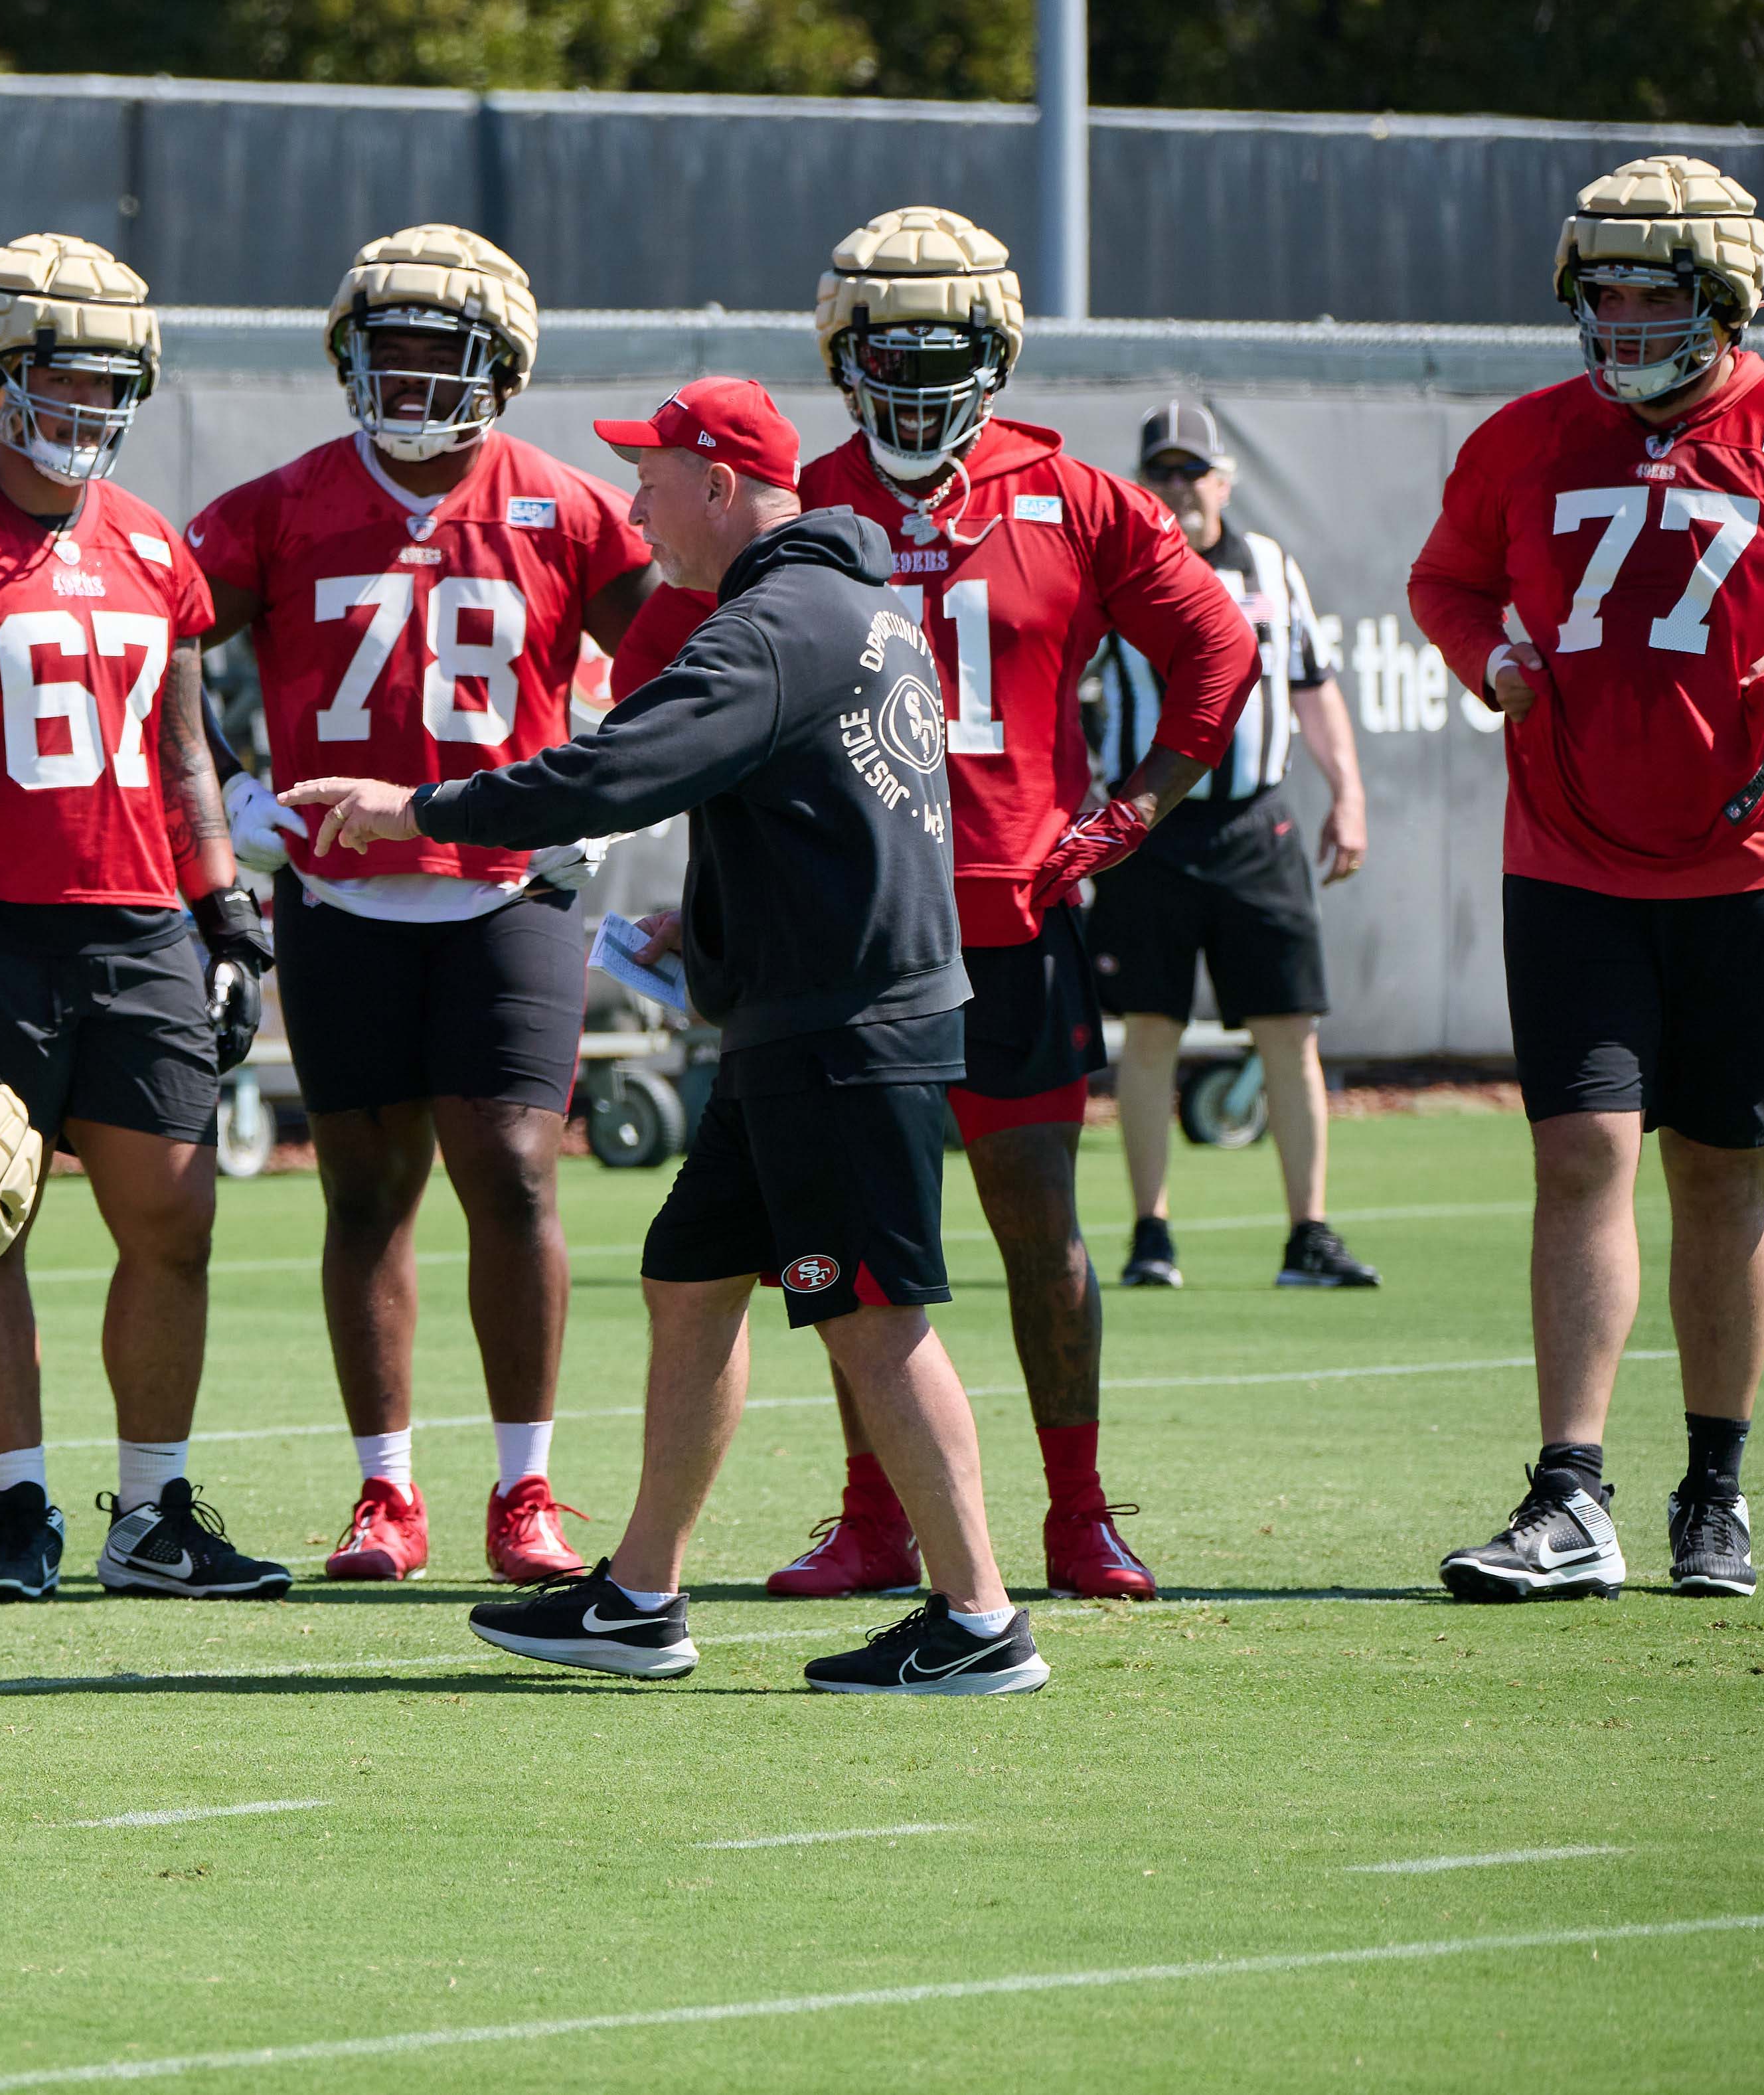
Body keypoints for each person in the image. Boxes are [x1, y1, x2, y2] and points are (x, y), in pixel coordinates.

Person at [291, 376, 1048, 1696]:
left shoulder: (772, 623)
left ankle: (979, 1618)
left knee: (874, 1316)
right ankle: (639, 1596)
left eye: (653, 472)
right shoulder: (854, 608)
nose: (632, 499)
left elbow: (610, 775)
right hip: (809, 1021)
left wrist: (415, 806)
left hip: (840, 1031)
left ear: (722, 486)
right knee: (689, 1274)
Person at [1409, 155, 1764, 1602]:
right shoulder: (1520, 437)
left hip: (1761, 854)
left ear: (1726, 300)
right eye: (1605, 296)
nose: (1625, 324)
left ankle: (1717, 1486)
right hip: (1566, 853)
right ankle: (1567, 1492)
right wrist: (1486, 659)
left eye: (1657, 298)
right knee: (1579, 1152)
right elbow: (1443, 583)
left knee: (1719, 1170)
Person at [779, 207, 1257, 1605]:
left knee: (1035, 1222)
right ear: (840, 355)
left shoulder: (1080, 496)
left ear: (996, 356)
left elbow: (1215, 646)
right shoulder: (804, 500)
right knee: (865, 1236)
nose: (917, 383)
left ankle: (1073, 1514)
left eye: (945, 354)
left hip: (1010, 919)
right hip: (850, 931)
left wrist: (1136, 808)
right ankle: (876, 1518)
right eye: (890, 352)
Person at [191, 225, 655, 1585]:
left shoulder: (566, 505)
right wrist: (226, 794)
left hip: (505, 882)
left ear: (497, 368)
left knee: (511, 1172)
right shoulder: (278, 504)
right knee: (363, 1197)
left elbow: (687, 659)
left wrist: (618, 779)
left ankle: (526, 1489)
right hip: (336, 894)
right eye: (381, 355)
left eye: (432, 357)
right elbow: (135, 645)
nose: (402, 381)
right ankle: (385, 1492)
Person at [0, 235, 288, 1606]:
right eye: (60, 375)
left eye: (109, 381)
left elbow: (182, 753)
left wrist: (220, 901)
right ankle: (15, 1509)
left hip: (137, 917)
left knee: (176, 1217)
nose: (87, 406)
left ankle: (151, 1512)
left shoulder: (156, 543)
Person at [1094, 400, 1376, 1293]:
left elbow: (1311, 686)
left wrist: (1350, 794)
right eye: (1163, 471)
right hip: (1149, 825)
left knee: (1290, 1031)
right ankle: (1151, 1233)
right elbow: (1066, 691)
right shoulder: (1119, 571)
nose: (1178, 487)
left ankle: (1310, 1234)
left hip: (1257, 820)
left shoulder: (1267, 566)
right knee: (1150, 1030)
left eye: (1193, 470)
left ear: (1225, 478)